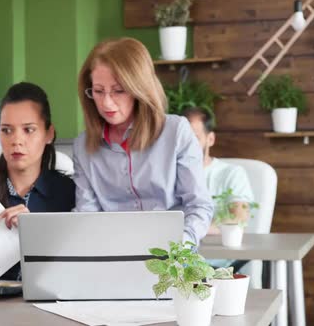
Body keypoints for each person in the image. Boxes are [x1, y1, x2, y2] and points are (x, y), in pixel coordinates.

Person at [72, 37, 213, 246]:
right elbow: (87, 216)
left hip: (172, 257)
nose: (106, 102)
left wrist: (180, 248)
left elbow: (198, 206)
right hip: (112, 255)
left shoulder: (176, 132)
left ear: (140, 89)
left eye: (118, 90)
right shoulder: (83, 146)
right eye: (98, 91)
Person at [0, 82, 76, 280]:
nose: (16, 140)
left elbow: (77, 267)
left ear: (49, 134)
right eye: (6, 130)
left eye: (28, 130)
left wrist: (35, 234)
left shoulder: (70, 194)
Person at [182, 106, 255, 269]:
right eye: (183, 139)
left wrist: (190, 229)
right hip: (178, 261)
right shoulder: (169, 175)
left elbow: (238, 218)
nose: (187, 145)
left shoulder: (232, 173)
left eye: (194, 138)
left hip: (218, 266)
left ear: (210, 139)